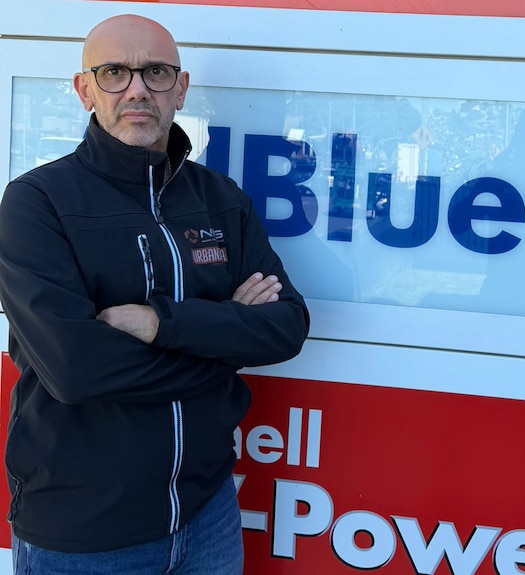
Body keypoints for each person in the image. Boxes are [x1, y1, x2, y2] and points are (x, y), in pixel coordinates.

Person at [0, 14, 310, 574]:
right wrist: (226, 343)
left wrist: (159, 323)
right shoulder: (36, 203)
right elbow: (77, 371)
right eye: (115, 72)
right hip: (84, 531)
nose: (138, 88)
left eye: (156, 72)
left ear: (181, 88)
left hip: (207, 513)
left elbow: (287, 325)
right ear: (85, 89)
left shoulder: (220, 198)